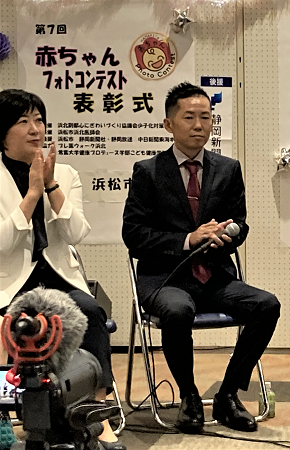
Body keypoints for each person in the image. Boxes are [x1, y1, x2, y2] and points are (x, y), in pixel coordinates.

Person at [121, 82, 281, 434]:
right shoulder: (148, 171)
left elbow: (240, 224)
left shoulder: (228, 168)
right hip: (165, 279)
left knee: (266, 305)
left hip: (214, 276)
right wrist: (188, 239)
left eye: (205, 117)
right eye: (189, 117)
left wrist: (225, 235)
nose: (198, 125)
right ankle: (189, 396)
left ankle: (227, 395)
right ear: (168, 124)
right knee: (178, 310)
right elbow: (134, 235)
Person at [0, 89, 123, 450]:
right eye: (23, 121)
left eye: (39, 120)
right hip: (10, 284)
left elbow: (76, 233)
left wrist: (51, 185)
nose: (35, 129)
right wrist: (31, 195)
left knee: (89, 311)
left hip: (58, 279)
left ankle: (97, 412)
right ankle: (13, 414)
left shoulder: (66, 174)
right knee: (12, 323)